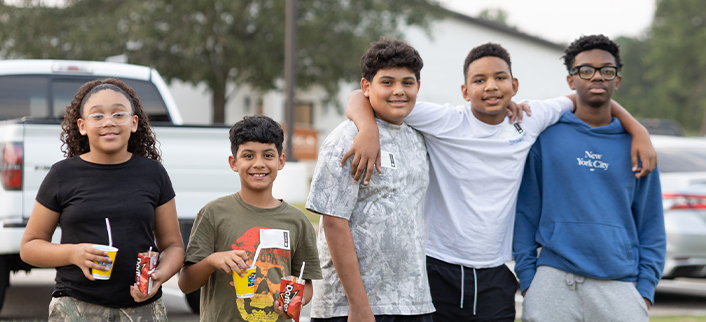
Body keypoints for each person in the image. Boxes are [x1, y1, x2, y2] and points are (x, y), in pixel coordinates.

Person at [343, 43, 658, 321]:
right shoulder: (445, 119)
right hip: (437, 265)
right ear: (465, 91)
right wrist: (367, 129)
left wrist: (637, 129)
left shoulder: (532, 117)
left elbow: (586, 95)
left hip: (496, 270)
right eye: (479, 80)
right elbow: (361, 95)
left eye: (499, 78)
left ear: (514, 85)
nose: (490, 86)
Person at [513, 34, 666, 322]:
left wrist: (644, 291)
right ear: (572, 80)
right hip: (553, 281)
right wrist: (528, 280)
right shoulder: (546, 138)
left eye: (607, 70)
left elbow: (651, 223)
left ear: (617, 80)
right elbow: (525, 213)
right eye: (586, 70)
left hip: (619, 284)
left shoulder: (638, 146)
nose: (597, 77)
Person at [20, 78, 184, 321]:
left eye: (119, 114)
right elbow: (30, 247)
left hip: (142, 308)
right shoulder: (62, 175)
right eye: (97, 116)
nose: (109, 122)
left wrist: (159, 276)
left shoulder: (153, 173)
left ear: (134, 122)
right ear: (82, 125)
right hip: (75, 306)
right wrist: (73, 254)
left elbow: (174, 246)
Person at [306, 37, 434, 322]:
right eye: (387, 82)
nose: (398, 91)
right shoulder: (346, 139)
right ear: (366, 87)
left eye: (407, 82)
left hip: (413, 302)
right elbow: (334, 223)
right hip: (352, 308)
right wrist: (359, 306)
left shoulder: (419, 138)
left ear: (418, 87)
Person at [178, 115, 322, 322]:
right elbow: (186, 284)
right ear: (233, 163)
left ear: (280, 161)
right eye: (248, 156)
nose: (258, 164)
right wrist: (212, 260)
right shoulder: (213, 213)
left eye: (268, 155)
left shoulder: (297, 221)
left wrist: (294, 301)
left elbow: (306, 283)